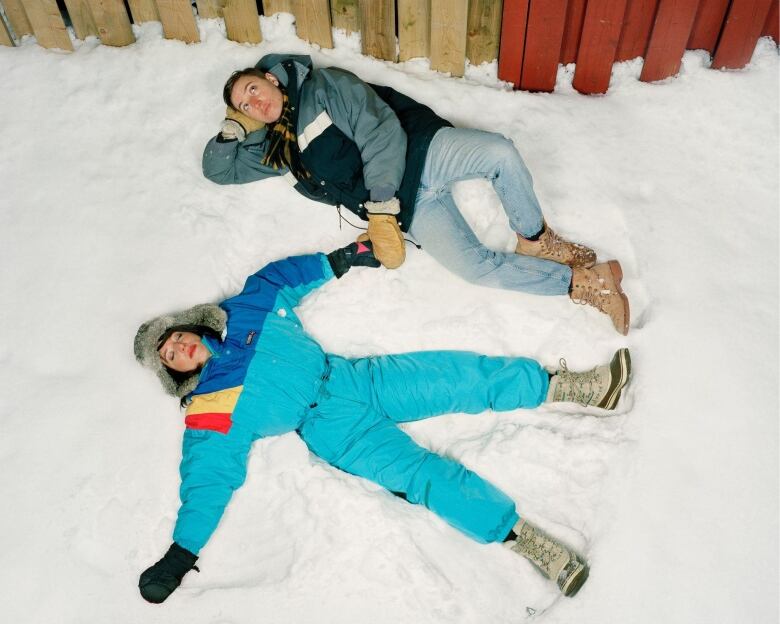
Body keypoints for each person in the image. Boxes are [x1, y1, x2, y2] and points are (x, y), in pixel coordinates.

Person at [134, 240, 633, 604]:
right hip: (334, 433)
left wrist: (340, 260)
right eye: (170, 357)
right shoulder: (209, 409)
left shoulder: (243, 312)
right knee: (423, 476)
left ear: (184, 325)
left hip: (356, 379)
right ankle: (528, 542)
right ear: (175, 373)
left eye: (173, 338)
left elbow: (281, 277)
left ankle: (575, 388)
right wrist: (181, 553)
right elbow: (208, 481)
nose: (178, 349)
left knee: (457, 376)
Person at [202, 54, 630, 335]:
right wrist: (232, 130)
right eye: (243, 104)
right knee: (473, 268)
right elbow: (218, 171)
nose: (253, 103)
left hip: (421, 151)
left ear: (272, 78)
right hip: (409, 209)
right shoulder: (279, 152)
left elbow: (379, 130)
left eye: (253, 89)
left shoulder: (324, 87)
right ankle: (585, 283)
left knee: (499, 152)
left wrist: (382, 206)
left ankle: (536, 240)